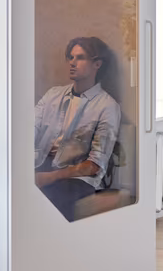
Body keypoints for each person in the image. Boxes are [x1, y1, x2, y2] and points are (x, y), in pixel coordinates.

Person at [33, 36, 121, 220]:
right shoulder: (53, 95)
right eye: (71, 57)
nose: (72, 63)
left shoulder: (107, 106)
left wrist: (49, 177)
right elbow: (27, 132)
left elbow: (95, 165)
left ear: (97, 64)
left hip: (76, 179)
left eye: (80, 58)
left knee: (51, 201)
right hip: (41, 163)